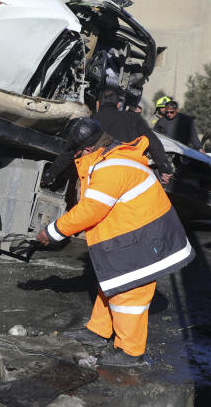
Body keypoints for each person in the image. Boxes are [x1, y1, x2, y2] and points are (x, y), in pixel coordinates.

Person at [36, 118, 194, 367]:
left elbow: (91, 210)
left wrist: (53, 231)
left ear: (88, 150)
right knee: (113, 282)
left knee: (129, 293)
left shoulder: (112, 168)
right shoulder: (107, 160)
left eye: (77, 152)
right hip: (134, 232)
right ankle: (98, 331)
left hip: (142, 238)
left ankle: (130, 352)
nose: (75, 156)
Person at [94, 89, 174, 183]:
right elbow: (154, 143)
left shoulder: (92, 121)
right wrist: (165, 168)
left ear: (97, 104)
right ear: (118, 105)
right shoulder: (134, 118)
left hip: (98, 173)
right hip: (128, 174)